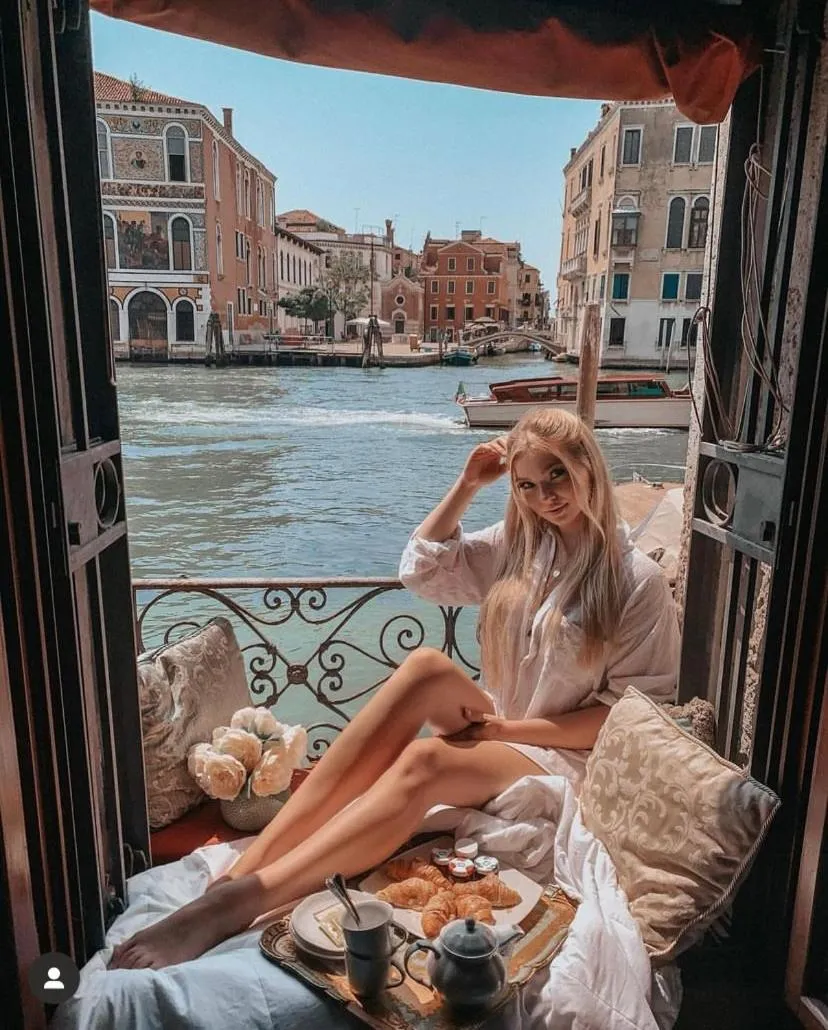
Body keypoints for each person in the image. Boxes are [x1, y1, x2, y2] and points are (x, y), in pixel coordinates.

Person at [110, 408, 679, 970]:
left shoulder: (634, 581)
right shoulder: (524, 546)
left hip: (560, 754)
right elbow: (422, 570)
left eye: (556, 474)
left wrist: (503, 729)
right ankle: (241, 874)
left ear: (587, 465)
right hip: (501, 727)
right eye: (527, 484)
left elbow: (615, 718)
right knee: (427, 666)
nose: (544, 496)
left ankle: (239, 905)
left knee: (427, 757)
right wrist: (466, 485)